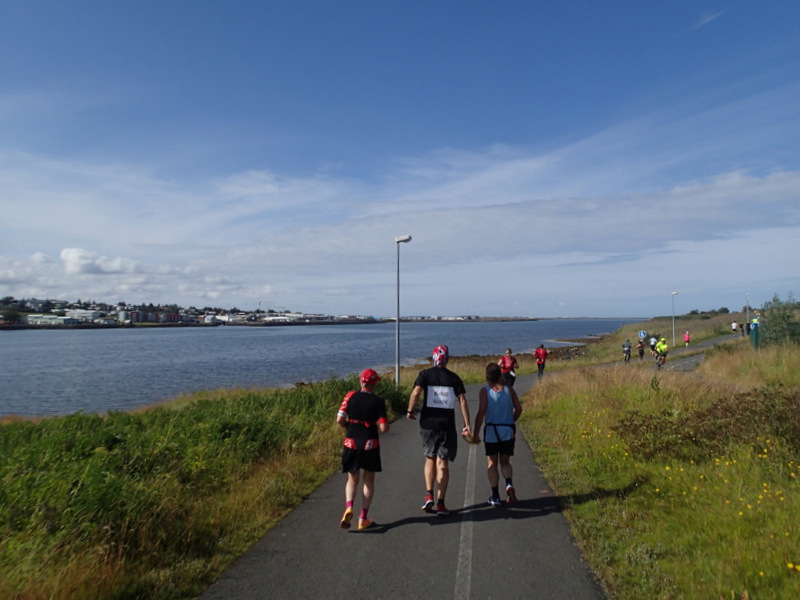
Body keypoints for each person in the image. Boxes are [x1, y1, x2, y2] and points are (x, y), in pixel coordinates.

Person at [407, 345, 472, 516]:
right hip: (446, 426)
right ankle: (441, 504)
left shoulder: (425, 375)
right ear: (448, 359)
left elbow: (416, 393)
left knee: (430, 458)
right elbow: (463, 400)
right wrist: (467, 424)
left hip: (428, 424)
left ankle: (429, 495)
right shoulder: (454, 378)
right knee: (442, 464)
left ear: (433, 357)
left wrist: (410, 411)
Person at [337, 368, 389, 530]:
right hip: (369, 443)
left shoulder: (350, 396)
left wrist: (348, 426)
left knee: (352, 479)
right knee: (369, 480)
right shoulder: (378, 402)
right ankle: (363, 518)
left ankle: (349, 507)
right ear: (374, 385)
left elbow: (339, 419)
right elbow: (383, 428)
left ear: (361, 382)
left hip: (351, 441)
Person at [473, 363, 523, 506]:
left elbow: (481, 412)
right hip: (507, 430)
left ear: (487, 376)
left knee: (492, 463)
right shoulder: (509, 390)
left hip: (492, 431)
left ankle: (495, 495)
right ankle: (508, 484)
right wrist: (511, 420)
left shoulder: (485, 391)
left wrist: (476, 433)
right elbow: (519, 409)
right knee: (505, 461)